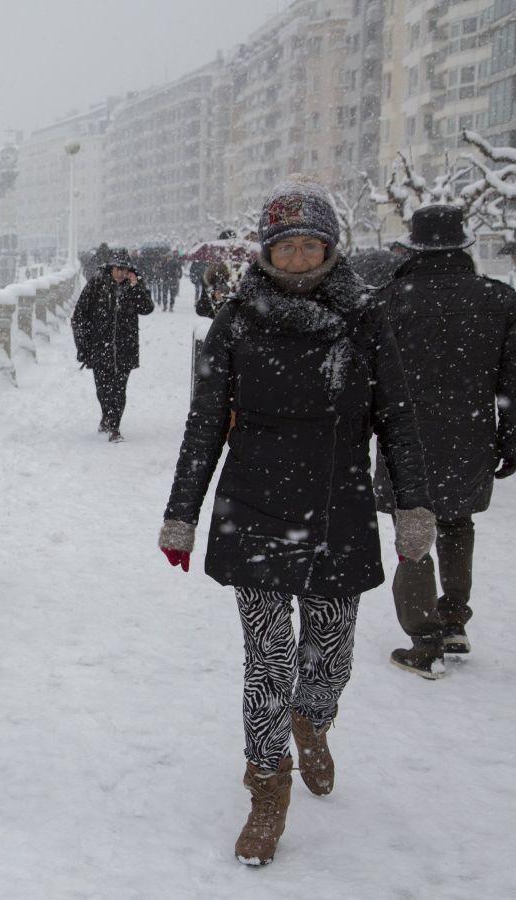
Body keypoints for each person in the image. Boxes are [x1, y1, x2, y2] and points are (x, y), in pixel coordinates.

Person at [158, 177, 433, 866]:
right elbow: (203, 426)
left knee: (332, 651)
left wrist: (412, 506)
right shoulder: (238, 321)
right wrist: (181, 514)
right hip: (254, 507)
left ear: (330, 249)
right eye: (289, 247)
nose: (301, 258)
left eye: (313, 245)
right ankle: (266, 785)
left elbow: (397, 418)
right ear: (267, 253)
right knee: (267, 658)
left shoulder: (368, 319)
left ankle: (315, 718)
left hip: (338, 508)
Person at [375, 205, 516, 677]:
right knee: (458, 522)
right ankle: (452, 618)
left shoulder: (391, 299)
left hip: (406, 436)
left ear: (414, 247)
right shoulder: (499, 300)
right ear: (463, 246)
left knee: (414, 528)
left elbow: (369, 379)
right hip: (470, 434)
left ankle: (424, 640)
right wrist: (514, 437)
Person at [71, 247, 154, 442]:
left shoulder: (134, 287)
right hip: (100, 348)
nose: (121, 274)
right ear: (110, 268)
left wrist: (136, 287)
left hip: (125, 348)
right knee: (103, 389)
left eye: (125, 270)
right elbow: (80, 316)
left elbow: (147, 308)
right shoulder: (96, 285)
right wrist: (83, 347)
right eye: (118, 269)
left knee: (119, 390)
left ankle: (114, 426)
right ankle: (106, 416)